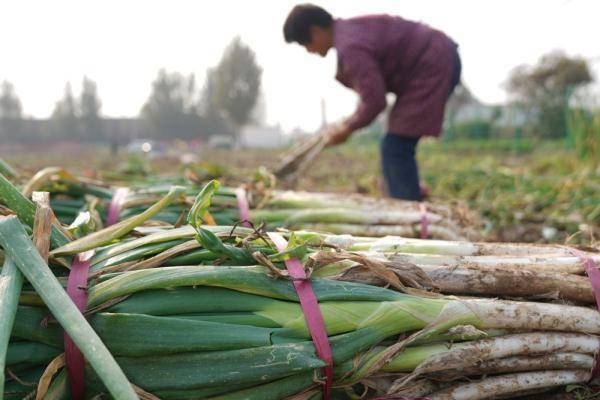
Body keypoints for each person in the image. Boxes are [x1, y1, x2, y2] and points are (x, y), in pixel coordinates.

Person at [283, 4, 461, 201]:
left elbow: (375, 101)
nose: (309, 51)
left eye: (304, 44)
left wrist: (348, 128)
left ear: (315, 32)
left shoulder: (350, 47)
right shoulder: (350, 32)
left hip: (432, 63)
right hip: (434, 57)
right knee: (396, 141)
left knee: (396, 145)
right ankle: (406, 194)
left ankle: (407, 206)